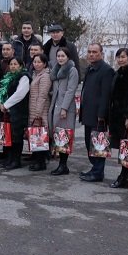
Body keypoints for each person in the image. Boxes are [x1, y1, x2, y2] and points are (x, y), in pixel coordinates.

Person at [79, 43, 114, 183]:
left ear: (101, 53)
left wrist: (102, 115)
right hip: (88, 113)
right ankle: (95, 169)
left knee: (98, 144)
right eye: (89, 52)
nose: (91, 54)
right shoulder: (90, 68)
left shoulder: (106, 70)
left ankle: (98, 172)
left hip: (98, 115)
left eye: (94, 52)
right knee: (89, 143)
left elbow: (106, 95)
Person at [108, 48, 128, 188]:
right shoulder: (117, 73)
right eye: (118, 57)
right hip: (116, 116)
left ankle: (124, 176)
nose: (120, 59)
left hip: (127, 117)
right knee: (122, 146)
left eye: (123, 57)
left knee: (126, 146)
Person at [48, 47, 79, 176]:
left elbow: (71, 90)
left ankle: (63, 165)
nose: (60, 58)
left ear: (68, 57)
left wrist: (64, 108)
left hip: (65, 108)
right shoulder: (56, 70)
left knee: (64, 135)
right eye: (58, 56)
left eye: (63, 56)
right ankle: (61, 164)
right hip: (55, 106)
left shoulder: (72, 70)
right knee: (58, 135)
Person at [0, 58, 31, 170]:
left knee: (17, 137)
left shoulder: (24, 77)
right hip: (10, 112)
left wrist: (6, 105)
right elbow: (4, 92)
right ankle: (10, 159)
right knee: (10, 136)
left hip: (19, 112)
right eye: (11, 64)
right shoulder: (10, 77)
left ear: (21, 66)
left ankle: (16, 160)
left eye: (15, 64)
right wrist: (0, 102)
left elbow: (19, 94)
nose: (12, 66)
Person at [28, 54, 52, 171]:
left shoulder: (45, 76)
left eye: (39, 62)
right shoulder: (35, 74)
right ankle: (37, 159)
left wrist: (38, 113)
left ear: (44, 64)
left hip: (40, 110)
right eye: (34, 62)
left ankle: (41, 162)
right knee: (35, 135)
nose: (36, 64)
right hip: (33, 108)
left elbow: (43, 95)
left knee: (40, 136)